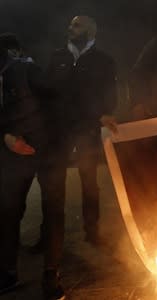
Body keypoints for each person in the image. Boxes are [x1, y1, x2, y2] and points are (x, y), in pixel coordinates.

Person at [31, 15, 118, 259]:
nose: (70, 28)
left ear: (91, 31)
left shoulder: (103, 61)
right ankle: (47, 236)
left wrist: (102, 115)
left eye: (77, 25)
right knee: (53, 185)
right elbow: (49, 94)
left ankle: (93, 233)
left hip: (87, 132)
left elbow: (110, 97)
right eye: (70, 25)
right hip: (59, 132)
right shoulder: (58, 57)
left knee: (90, 184)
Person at [0, 33, 65, 299]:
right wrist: (6, 137)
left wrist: (52, 141)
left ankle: (51, 273)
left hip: (48, 152)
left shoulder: (27, 70)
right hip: (13, 153)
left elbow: (60, 102)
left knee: (52, 209)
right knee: (8, 212)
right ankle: (6, 272)